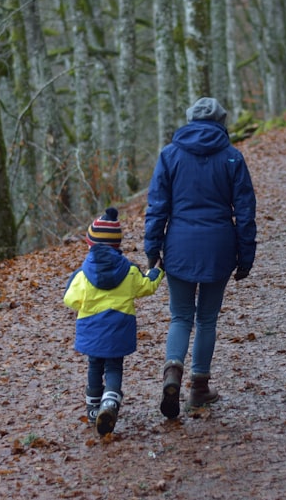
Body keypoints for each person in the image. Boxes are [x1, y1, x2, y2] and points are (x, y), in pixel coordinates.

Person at [144, 97, 257, 419]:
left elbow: (157, 207)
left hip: (178, 244)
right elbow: (246, 211)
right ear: (221, 122)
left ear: (190, 119)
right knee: (207, 319)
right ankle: (199, 388)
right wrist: (246, 254)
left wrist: (153, 248)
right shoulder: (232, 158)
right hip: (218, 246)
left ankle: (172, 372)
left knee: (180, 316)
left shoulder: (170, 155)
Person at [64, 207, 164, 435]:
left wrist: (85, 304)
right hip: (119, 330)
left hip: (92, 330)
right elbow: (146, 287)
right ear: (117, 245)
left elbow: (70, 299)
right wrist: (157, 273)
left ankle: (93, 408)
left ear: (91, 244)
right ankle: (110, 403)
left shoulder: (82, 275)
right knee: (114, 366)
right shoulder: (129, 272)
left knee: (94, 364)